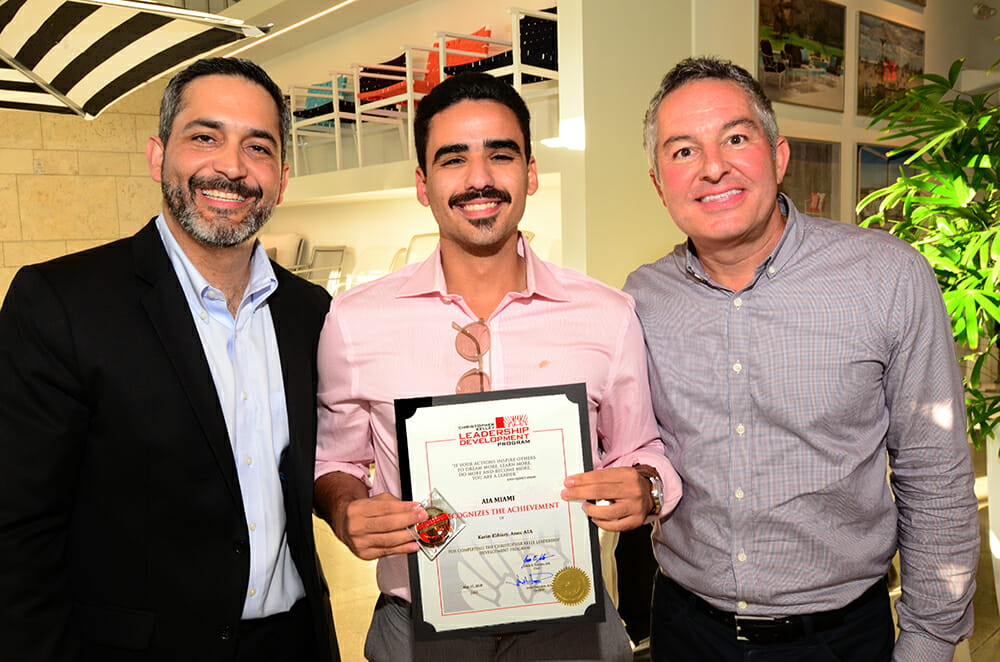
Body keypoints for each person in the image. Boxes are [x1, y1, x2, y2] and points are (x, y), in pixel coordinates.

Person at [312, 72, 682, 662]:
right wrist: (343, 509)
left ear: (530, 173)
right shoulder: (356, 321)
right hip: (417, 629)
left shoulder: (606, 314)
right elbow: (334, 461)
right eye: (453, 158)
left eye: (500, 155)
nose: (479, 178)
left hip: (570, 624)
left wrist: (646, 487)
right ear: (422, 183)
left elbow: (643, 450)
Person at [624, 56, 979, 661]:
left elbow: (934, 473)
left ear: (779, 155)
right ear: (660, 184)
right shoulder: (640, 299)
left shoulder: (887, 277)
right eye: (683, 151)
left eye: (736, 139)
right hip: (686, 629)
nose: (713, 167)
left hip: (837, 640)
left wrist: (929, 640)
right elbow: (634, 448)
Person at [0, 58, 338, 662]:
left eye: (257, 147)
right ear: (158, 156)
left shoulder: (310, 311)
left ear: (282, 179)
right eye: (205, 137)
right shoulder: (60, 303)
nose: (231, 167)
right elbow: (19, 530)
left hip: (293, 643)